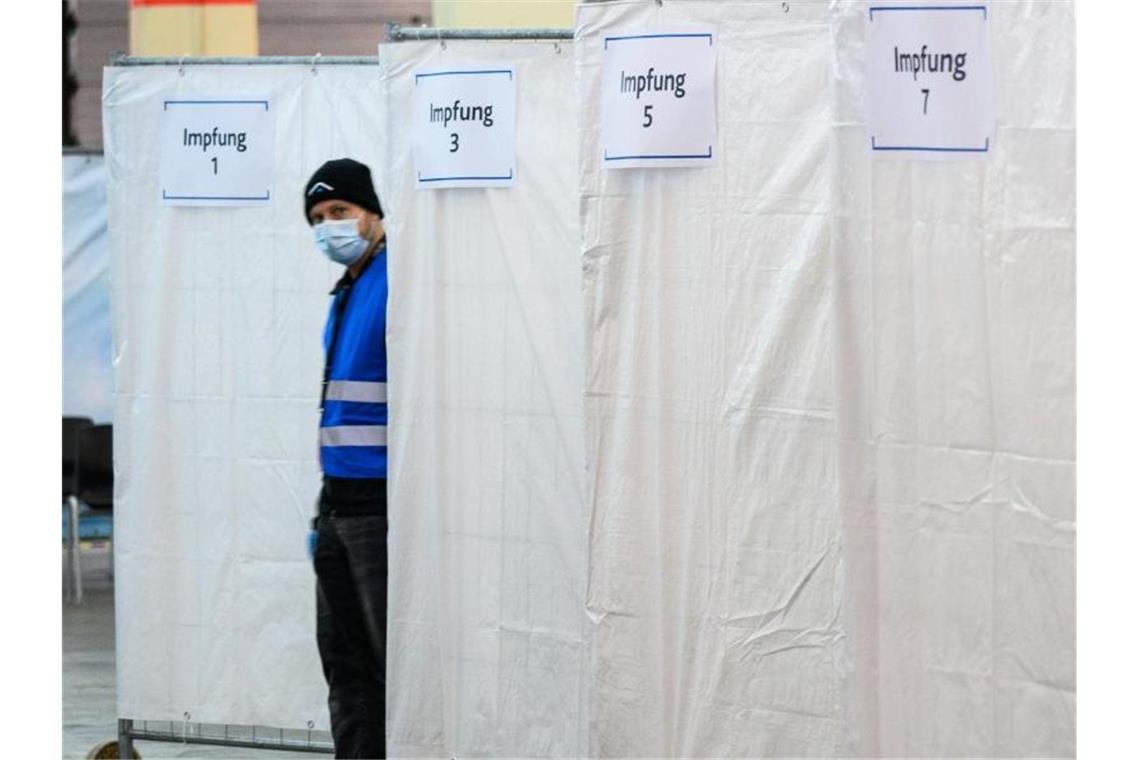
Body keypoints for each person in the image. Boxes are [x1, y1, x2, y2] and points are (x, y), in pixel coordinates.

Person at [303, 158, 389, 758]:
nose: (328, 226)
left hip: (381, 504)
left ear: (374, 213)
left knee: (389, 665)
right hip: (338, 504)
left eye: (340, 212)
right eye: (317, 218)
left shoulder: (397, 278)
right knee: (344, 665)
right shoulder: (348, 290)